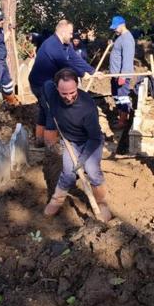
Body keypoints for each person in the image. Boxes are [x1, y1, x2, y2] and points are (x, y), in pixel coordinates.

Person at [42, 68, 112, 222]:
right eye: (64, 93)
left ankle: (101, 203)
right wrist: (49, 127)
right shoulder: (51, 92)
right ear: (57, 88)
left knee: (92, 171)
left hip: (90, 141)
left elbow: (94, 138)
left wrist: (82, 160)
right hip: (70, 141)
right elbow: (50, 107)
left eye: (72, 92)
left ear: (77, 86)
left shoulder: (87, 106)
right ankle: (56, 200)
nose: (69, 97)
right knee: (68, 174)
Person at [29, 20, 101, 147]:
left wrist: (92, 71)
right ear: (62, 32)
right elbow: (66, 65)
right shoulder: (52, 46)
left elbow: (75, 59)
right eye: (70, 33)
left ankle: (39, 141)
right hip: (40, 84)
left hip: (48, 82)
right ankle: (51, 149)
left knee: (44, 109)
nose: (72, 36)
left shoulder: (65, 45)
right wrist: (83, 74)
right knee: (52, 111)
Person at [109, 15, 135, 130]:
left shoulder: (127, 39)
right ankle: (120, 117)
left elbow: (127, 59)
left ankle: (123, 122)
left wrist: (123, 76)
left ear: (122, 25)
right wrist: (112, 44)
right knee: (116, 96)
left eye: (115, 27)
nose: (114, 29)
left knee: (123, 97)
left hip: (121, 76)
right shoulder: (120, 37)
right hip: (115, 75)